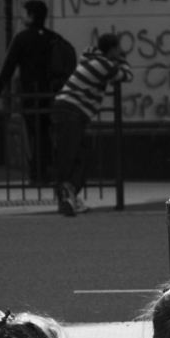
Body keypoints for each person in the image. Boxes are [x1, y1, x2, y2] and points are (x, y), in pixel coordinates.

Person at [0, 0, 75, 185]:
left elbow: (9, 66)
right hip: (52, 93)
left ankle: (38, 173)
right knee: (46, 131)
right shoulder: (53, 38)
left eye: (24, 13)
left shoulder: (22, 38)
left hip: (30, 93)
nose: (22, 17)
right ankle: (50, 169)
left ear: (31, 16)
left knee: (34, 133)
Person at [50, 32, 130, 216]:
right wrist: (123, 60)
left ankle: (69, 195)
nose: (121, 50)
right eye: (118, 48)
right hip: (73, 113)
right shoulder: (102, 65)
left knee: (78, 155)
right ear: (111, 50)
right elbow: (126, 75)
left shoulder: (92, 60)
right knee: (71, 156)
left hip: (68, 111)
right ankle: (66, 196)